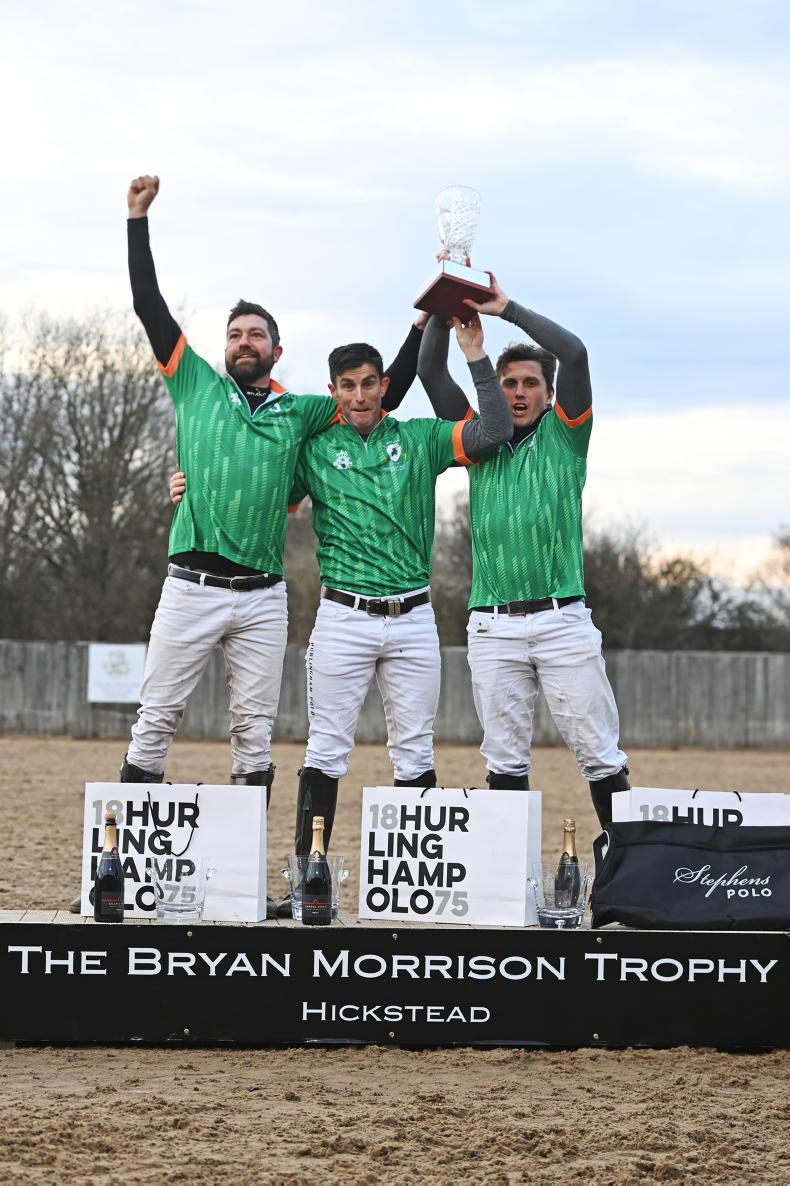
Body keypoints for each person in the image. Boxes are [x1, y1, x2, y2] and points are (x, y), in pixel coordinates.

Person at [70, 173, 423, 914]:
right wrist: (136, 219)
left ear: (275, 349)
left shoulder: (303, 412)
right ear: (222, 346)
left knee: (253, 737)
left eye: (256, 334)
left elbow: (382, 394)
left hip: (263, 597)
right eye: (234, 334)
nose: (243, 342)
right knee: (154, 722)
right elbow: (148, 305)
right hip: (190, 586)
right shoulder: (194, 383)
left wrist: (421, 327)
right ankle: (116, 876)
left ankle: (242, 886)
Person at [173, 316, 512, 915]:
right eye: (347, 386)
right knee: (325, 750)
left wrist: (475, 355)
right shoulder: (313, 448)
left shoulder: (422, 438)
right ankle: (309, 880)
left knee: (416, 751)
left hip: (413, 617)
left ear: (384, 386)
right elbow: (256, 481)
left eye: (368, 384)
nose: (359, 396)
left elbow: (494, 430)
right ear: (332, 392)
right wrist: (189, 485)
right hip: (343, 617)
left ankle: (415, 891)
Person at [417, 274, 630, 827]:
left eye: (529, 383)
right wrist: (443, 306)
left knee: (599, 754)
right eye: (507, 382)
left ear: (549, 394)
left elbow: (575, 352)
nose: (516, 392)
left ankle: (624, 862)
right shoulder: (478, 438)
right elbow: (430, 372)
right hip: (492, 625)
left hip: (562, 620)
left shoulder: (566, 434)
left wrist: (505, 308)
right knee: (504, 761)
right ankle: (510, 874)